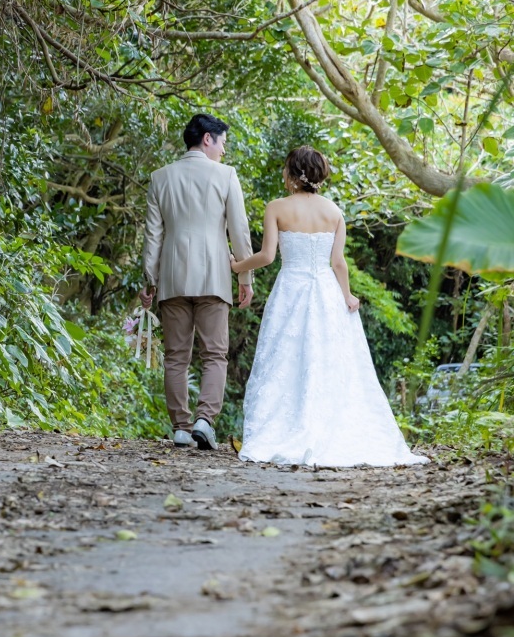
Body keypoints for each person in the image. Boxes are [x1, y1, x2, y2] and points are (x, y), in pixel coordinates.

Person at [229, 146, 427, 468]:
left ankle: (286, 426)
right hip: (325, 292)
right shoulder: (334, 212)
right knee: (326, 361)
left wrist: (237, 267)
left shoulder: (277, 207)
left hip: (290, 289)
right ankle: (325, 424)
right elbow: (338, 263)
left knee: (285, 358)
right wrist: (347, 296)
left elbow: (266, 256)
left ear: (293, 173)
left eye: (285, 169)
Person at [139, 113, 253, 450]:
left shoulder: (161, 177)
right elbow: (239, 230)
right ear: (208, 138)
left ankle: (181, 428)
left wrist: (149, 280)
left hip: (172, 277)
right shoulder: (225, 176)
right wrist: (244, 275)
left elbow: (152, 237)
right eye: (223, 144)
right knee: (215, 354)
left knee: (176, 356)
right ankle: (205, 420)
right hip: (214, 276)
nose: (223, 152)